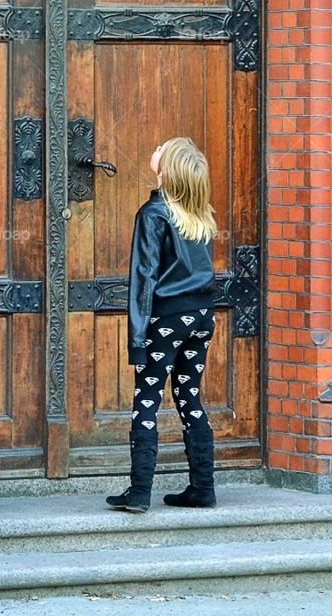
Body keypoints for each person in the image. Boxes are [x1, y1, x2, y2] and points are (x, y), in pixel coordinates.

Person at [106, 136, 218, 513]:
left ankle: (139, 492)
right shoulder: (201, 214)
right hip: (202, 317)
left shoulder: (153, 215)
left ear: (165, 169)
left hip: (168, 320)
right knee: (190, 398)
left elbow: (144, 279)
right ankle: (203, 487)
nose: (152, 148)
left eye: (160, 148)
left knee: (147, 401)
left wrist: (137, 342)